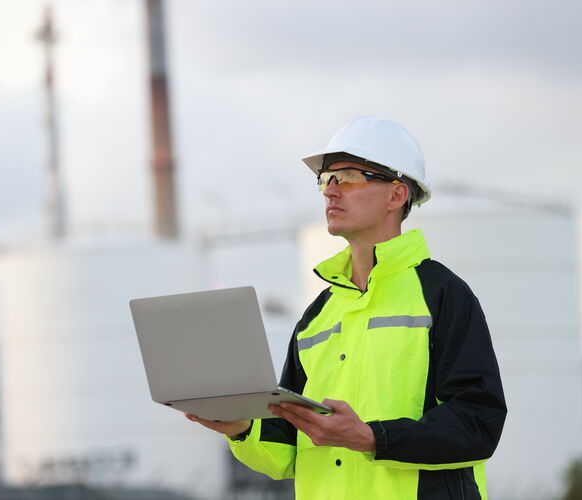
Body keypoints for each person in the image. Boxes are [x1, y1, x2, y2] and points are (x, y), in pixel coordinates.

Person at [186, 116, 507, 499]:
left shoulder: (443, 295)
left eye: (349, 177)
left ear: (396, 195)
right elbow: (288, 448)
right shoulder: (316, 318)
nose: (330, 192)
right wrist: (242, 428)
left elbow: (478, 423)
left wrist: (373, 438)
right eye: (326, 179)